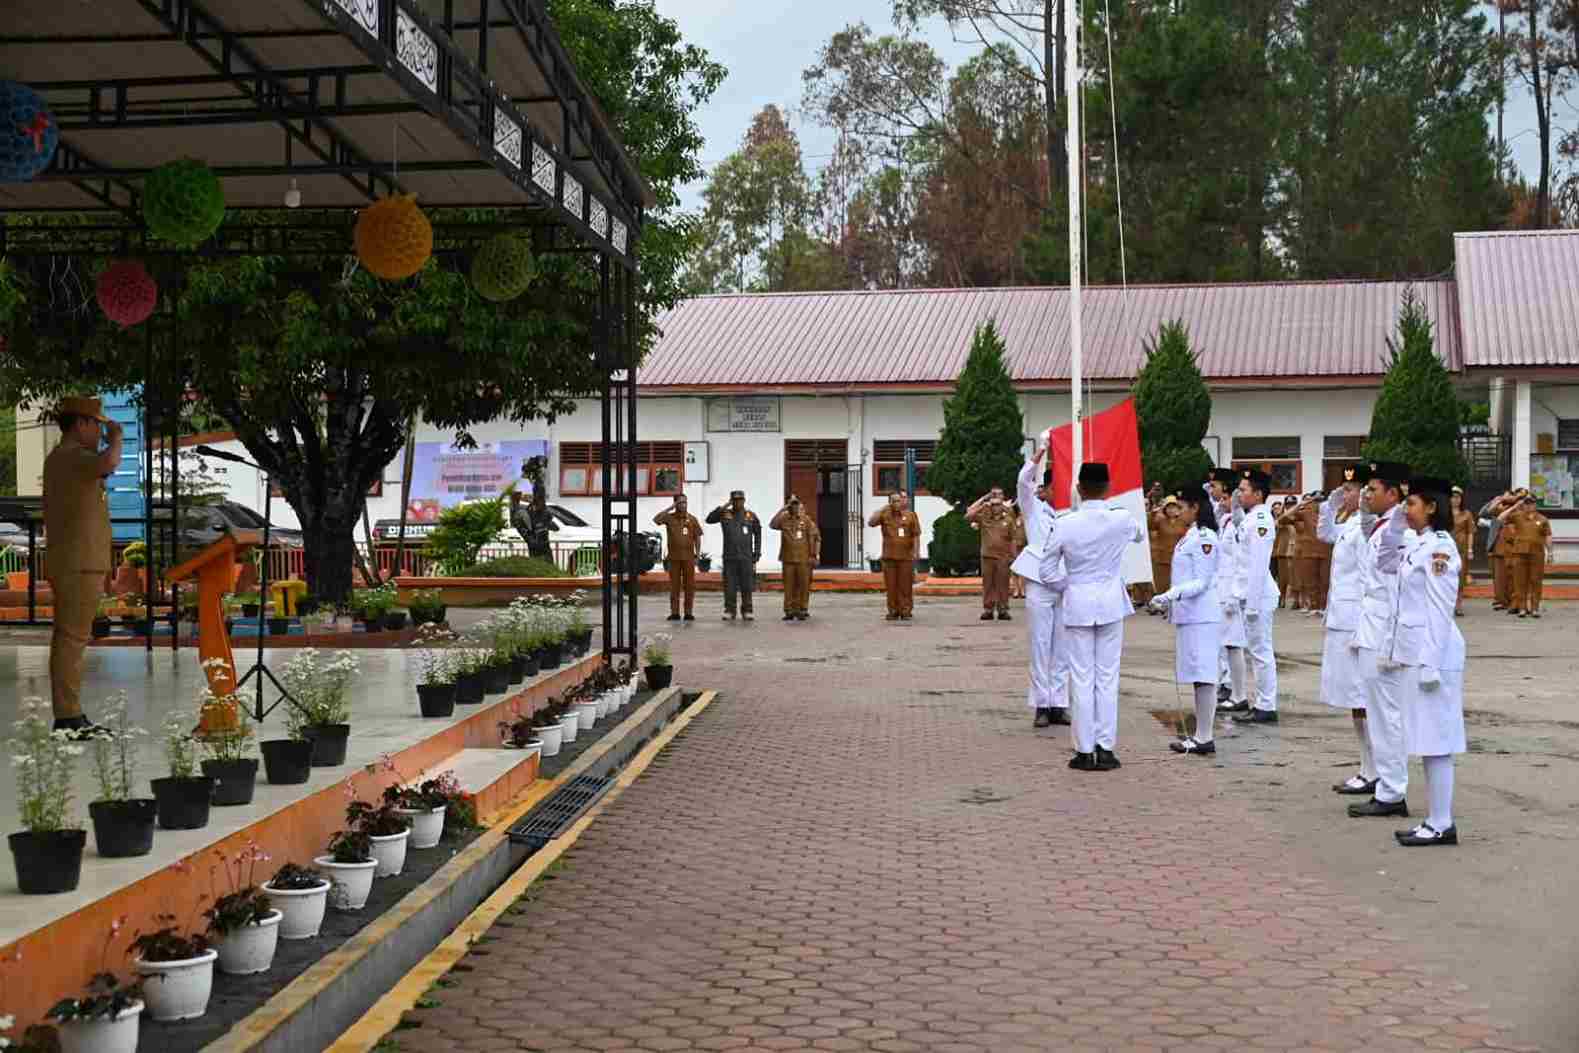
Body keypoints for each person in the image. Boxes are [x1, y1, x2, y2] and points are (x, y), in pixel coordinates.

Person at [1044, 462, 1143, 771]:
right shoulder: (1121, 519)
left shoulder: (1064, 523)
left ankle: (1085, 751)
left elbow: (1046, 571)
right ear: (1109, 487)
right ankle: (1106, 748)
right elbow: (1139, 536)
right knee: (1107, 677)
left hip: (1079, 603)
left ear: (1078, 489)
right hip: (1112, 602)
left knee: (1082, 678)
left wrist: (1070, 586)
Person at [1390, 477, 1468, 847]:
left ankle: (1442, 823)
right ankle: (1436, 819)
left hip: (1433, 654)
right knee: (1427, 738)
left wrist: (1430, 663)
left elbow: (1440, 610)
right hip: (1418, 652)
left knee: (1437, 740)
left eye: (1412, 504)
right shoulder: (1417, 544)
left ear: (1432, 508)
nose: (1407, 510)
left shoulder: (1440, 549)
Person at [42, 396, 123, 732]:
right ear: (81, 424)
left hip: (80, 560)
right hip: (76, 562)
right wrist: (117, 438)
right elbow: (109, 463)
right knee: (72, 637)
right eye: (97, 424)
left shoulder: (72, 458)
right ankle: (68, 716)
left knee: (74, 637)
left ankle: (70, 712)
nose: (100, 432)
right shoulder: (70, 456)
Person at [1347, 462, 1416, 821]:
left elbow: (1395, 589)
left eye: (1372, 489)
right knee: (1378, 711)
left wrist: (1390, 641)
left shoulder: (1399, 530)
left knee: (1387, 714)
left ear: (1393, 493)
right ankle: (1386, 784)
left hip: (1384, 630)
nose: (1365, 494)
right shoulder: (1381, 526)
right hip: (1372, 626)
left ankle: (1392, 792)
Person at [1147, 483, 1223, 756]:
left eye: (1182, 507)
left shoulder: (1205, 538)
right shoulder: (1190, 536)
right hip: (1191, 615)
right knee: (1197, 675)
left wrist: (1169, 596)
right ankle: (1202, 734)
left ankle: (1205, 736)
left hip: (1202, 616)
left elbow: (1201, 582)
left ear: (1196, 508)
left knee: (1204, 675)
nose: (1177, 512)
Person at [1320, 467, 1379, 796]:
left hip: (1356, 621)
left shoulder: (1366, 528)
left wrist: (1362, 626)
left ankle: (1374, 771)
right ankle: (1366, 766)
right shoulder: (1351, 523)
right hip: (1342, 618)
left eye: (1352, 489)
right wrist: (1328, 508)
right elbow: (1327, 534)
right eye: (1343, 489)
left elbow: (1369, 579)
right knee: (1354, 700)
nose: (1347, 495)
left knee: (1363, 699)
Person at [1013, 447, 1070, 727]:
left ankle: (1059, 703)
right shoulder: (1034, 509)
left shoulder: (1071, 514)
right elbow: (1023, 484)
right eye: (1055, 487)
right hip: (1038, 582)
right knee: (1040, 644)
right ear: (1045, 489)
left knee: (1062, 646)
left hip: (1065, 584)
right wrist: (1033, 462)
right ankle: (1041, 705)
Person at [1229, 469, 1281, 725]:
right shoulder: (1252, 517)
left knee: (1261, 652)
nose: (1240, 493)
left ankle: (1266, 705)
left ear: (1258, 494)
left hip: (1258, 597)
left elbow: (1259, 566)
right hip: (1250, 596)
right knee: (1257, 652)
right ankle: (1262, 702)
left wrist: (1251, 604)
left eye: (1244, 489)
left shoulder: (1262, 520)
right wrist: (1234, 508)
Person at [1209, 469, 1245, 707]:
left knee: (1234, 643)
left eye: (1215, 485)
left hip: (1234, 588)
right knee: (1223, 642)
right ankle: (1226, 683)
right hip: (1222, 586)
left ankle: (1237, 692)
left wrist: (1235, 593)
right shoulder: (1225, 518)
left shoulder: (1241, 520)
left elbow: (1241, 558)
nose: (1211, 490)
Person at [706, 490, 762, 622]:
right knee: (729, 586)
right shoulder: (725, 514)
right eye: (734, 500)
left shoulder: (750, 516)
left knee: (746, 585)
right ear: (731, 501)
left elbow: (758, 534)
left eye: (740, 500)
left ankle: (747, 610)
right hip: (729, 557)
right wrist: (725, 506)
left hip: (746, 557)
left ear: (744, 500)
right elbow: (709, 519)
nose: (737, 502)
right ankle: (730, 610)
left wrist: (757, 552)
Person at [966, 485, 1016, 621]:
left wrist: (1014, 556)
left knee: (1003, 584)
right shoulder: (984, 517)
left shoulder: (1008, 518)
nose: (996, 507)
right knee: (988, 584)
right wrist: (984, 501)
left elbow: (1013, 538)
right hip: (987, 556)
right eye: (993, 505)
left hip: (1003, 557)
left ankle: (1003, 609)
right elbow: (969, 514)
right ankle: (988, 609)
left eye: (998, 505)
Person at [1500, 493, 1553, 618]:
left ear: (1535, 504)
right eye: (1526, 503)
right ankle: (1522, 608)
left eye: (1531, 503)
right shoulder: (1517, 516)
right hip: (1519, 554)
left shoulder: (1542, 519)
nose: (1529, 506)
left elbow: (1548, 536)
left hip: (1537, 554)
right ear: (1523, 505)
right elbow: (1501, 518)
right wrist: (1514, 507)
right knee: (1520, 582)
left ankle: (1535, 608)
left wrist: (1550, 552)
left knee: (1536, 581)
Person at [869, 493, 921, 621]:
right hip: (889, 557)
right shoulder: (885, 515)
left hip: (906, 557)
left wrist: (916, 551)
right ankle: (893, 611)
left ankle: (906, 611)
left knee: (906, 586)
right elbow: (871, 522)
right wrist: (882, 509)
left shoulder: (911, 515)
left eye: (899, 500)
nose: (898, 503)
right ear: (890, 503)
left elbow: (916, 535)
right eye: (894, 501)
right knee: (891, 586)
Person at [653, 496, 703, 622]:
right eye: (680, 502)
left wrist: (698, 554)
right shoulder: (669, 517)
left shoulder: (692, 519)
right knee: (674, 586)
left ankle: (688, 612)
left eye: (685, 502)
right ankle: (674, 612)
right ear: (675, 503)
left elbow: (697, 537)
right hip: (674, 558)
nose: (683, 505)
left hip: (689, 558)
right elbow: (656, 519)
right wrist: (670, 508)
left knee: (689, 586)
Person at [769, 495, 819, 621]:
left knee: (803, 585)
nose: (795, 507)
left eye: (797, 505)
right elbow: (772, 524)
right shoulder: (784, 519)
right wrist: (783, 509)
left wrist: (814, 555)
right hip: (788, 558)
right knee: (789, 586)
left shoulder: (806, 521)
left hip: (804, 558)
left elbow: (814, 538)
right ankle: (789, 611)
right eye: (793, 505)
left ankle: (802, 609)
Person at [1479, 490, 1518, 610]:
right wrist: (1498, 499)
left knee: (1511, 577)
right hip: (1498, 546)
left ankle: (1512, 601)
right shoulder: (1500, 506)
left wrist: (1516, 503)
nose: (1508, 498)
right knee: (1499, 577)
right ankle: (1501, 600)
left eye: (1511, 496)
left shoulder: (1517, 509)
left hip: (1512, 547)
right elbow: (1484, 512)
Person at [509, 487, 559, 562]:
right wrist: (532, 541)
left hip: (543, 547)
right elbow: (524, 529)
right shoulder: (524, 512)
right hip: (536, 547)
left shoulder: (542, 512)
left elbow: (553, 526)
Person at [1450, 486, 1475, 618]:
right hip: (1446, 550)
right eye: (1453, 497)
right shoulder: (1444, 513)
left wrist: (1470, 549)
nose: (1455, 500)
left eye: (1458, 497)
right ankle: (1447, 604)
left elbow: (1470, 532)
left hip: (1461, 550)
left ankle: (1458, 605)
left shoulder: (1466, 514)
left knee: (1460, 578)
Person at [1272, 500, 1295, 609]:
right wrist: (1281, 512)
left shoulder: (1298, 515)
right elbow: (1280, 521)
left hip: (1296, 550)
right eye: (1288, 504)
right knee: (1282, 578)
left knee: (1296, 577)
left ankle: (1297, 600)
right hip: (1283, 550)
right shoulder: (1282, 518)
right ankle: (1282, 598)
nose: (1290, 506)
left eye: (1292, 504)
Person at [1009, 502, 1028, 600]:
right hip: (1012, 547)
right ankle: (1016, 590)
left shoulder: (1025, 520)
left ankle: (1023, 590)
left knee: (1022, 569)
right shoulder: (1010, 521)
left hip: (1023, 546)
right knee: (1014, 569)